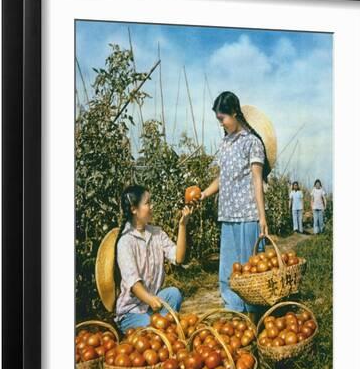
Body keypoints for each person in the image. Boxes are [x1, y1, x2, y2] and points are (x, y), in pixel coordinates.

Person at [192, 91, 271, 323]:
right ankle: (235, 315)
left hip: (247, 214)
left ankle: (254, 316)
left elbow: (257, 180)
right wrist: (204, 193)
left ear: (235, 114)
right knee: (228, 271)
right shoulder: (225, 142)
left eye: (223, 119)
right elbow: (223, 177)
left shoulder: (252, 143)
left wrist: (262, 217)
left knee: (250, 271)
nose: (221, 124)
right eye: (219, 119)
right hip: (227, 215)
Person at [114, 184, 192, 333]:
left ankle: (162, 327)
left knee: (173, 293)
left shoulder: (157, 234)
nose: (152, 206)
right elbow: (134, 284)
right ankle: (160, 328)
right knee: (158, 329)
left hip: (151, 306)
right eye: (147, 203)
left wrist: (183, 225)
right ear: (134, 209)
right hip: (132, 311)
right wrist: (150, 299)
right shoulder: (125, 242)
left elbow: (179, 258)